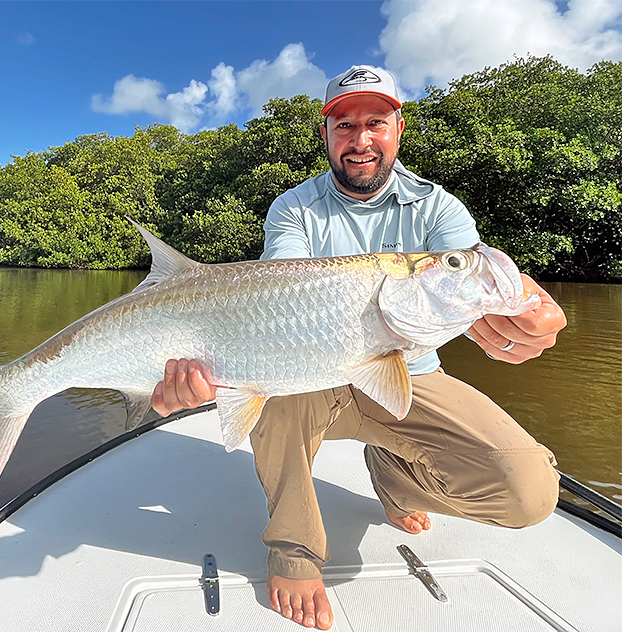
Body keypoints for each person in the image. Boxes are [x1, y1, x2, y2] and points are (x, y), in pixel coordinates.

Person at [150, 65, 567, 630]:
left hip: (411, 374)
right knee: (277, 387)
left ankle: (396, 477)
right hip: (312, 379)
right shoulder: (293, 208)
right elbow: (278, 286)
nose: (360, 138)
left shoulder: (438, 208)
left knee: (530, 493)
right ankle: (294, 550)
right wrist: (198, 375)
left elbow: (472, 271)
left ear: (398, 125)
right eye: (344, 124)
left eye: (375, 121)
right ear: (326, 136)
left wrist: (529, 313)